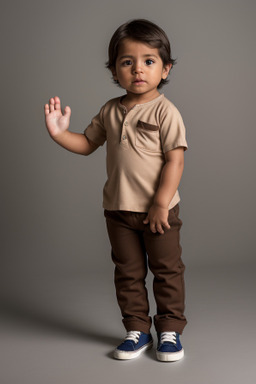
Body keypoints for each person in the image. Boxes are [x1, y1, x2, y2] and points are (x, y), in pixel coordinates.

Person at [44, 19, 188, 362]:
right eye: (127, 62)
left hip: (159, 210)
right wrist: (59, 134)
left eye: (149, 61)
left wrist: (160, 204)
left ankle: (169, 331)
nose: (138, 69)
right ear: (114, 70)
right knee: (128, 272)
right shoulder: (110, 110)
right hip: (118, 210)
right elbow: (86, 143)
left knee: (167, 271)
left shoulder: (166, 112)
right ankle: (137, 329)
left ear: (165, 68)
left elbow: (175, 162)